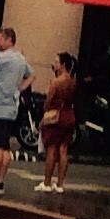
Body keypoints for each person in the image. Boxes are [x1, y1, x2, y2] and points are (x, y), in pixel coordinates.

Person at [0, 25, 32, 192]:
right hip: (12, 108)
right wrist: (19, 89)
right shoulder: (21, 59)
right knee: (5, 147)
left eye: (1, 39)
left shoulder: (1, 58)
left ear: (8, 40)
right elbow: (31, 75)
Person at [38, 51, 80, 193]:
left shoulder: (56, 82)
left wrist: (45, 113)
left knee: (51, 148)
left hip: (56, 115)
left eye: (56, 62)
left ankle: (47, 182)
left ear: (63, 64)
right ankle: (60, 183)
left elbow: (48, 100)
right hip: (69, 114)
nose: (54, 64)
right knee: (64, 149)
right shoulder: (73, 81)